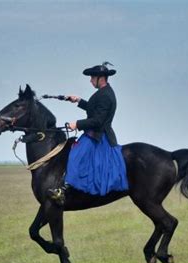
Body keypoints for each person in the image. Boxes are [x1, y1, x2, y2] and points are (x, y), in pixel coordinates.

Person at [48, 62, 129, 204]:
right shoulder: (103, 93)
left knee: (75, 155)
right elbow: (93, 109)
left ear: (101, 78)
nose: (90, 80)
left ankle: (64, 190)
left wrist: (77, 124)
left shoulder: (105, 95)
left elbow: (98, 120)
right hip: (94, 133)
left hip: (98, 136)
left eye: (92, 78)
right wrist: (78, 100)